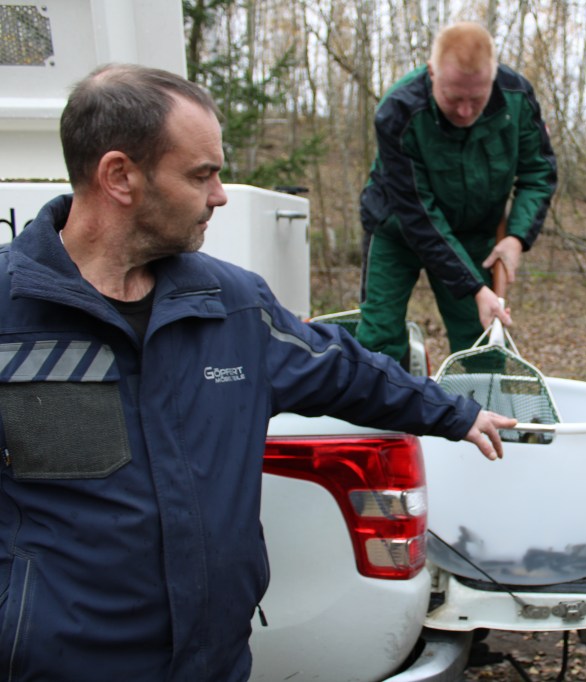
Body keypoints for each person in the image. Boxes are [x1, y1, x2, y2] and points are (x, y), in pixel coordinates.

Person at [0, 63, 515, 681]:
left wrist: (456, 412)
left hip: (213, 663)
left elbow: (343, 368)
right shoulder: (8, 314)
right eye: (202, 174)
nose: (220, 194)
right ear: (120, 176)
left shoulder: (234, 306)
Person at [356, 21, 557, 367]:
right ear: (432, 72)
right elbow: (418, 214)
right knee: (379, 338)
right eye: (453, 98)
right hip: (398, 228)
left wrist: (517, 238)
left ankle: (477, 401)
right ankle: (388, 400)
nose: (465, 111)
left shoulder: (517, 97)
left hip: (473, 234)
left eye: (476, 100)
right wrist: (473, 287)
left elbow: (538, 172)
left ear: (493, 77)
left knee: (481, 342)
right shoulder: (398, 110)